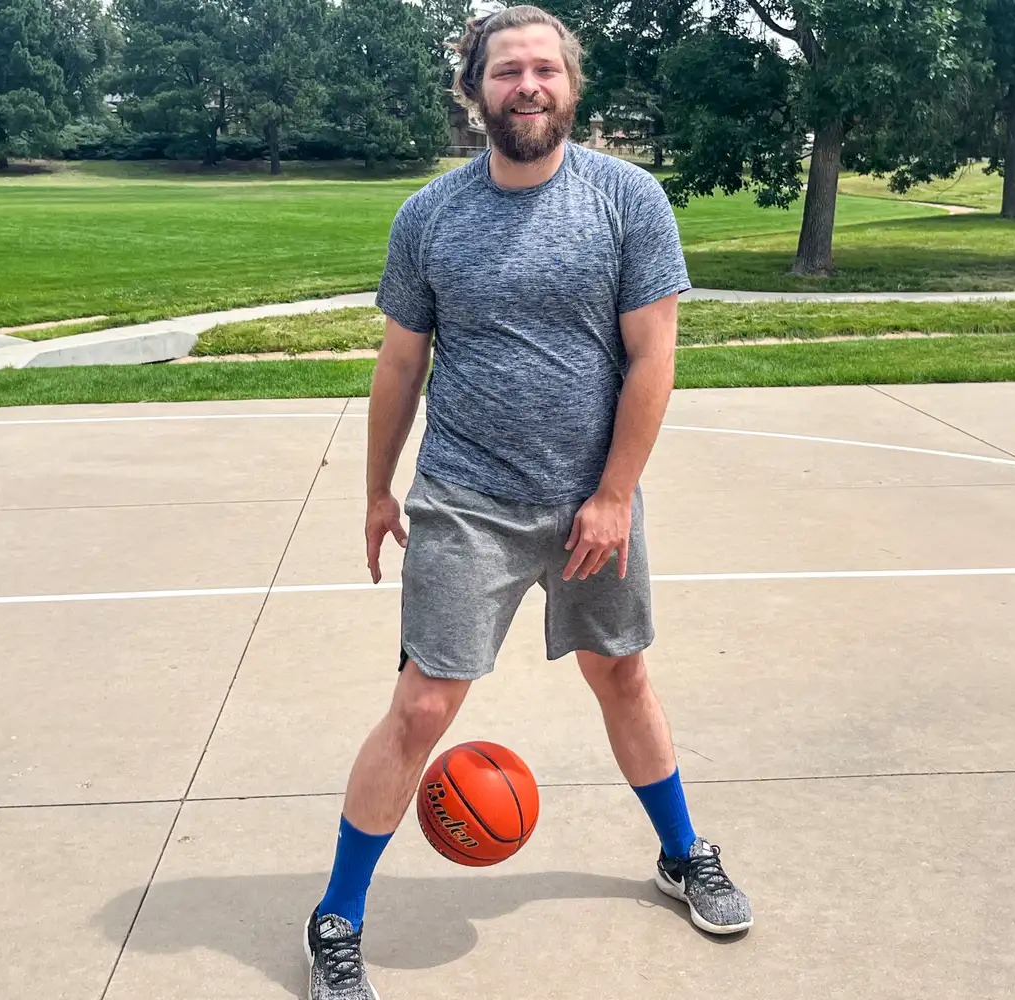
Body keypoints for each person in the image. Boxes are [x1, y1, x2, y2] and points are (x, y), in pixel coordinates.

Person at [303, 7, 751, 997]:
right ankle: (336, 916)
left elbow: (654, 356)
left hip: (594, 500)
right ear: (475, 91)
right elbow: (401, 363)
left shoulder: (627, 199)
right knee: (422, 706)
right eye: (507, 71)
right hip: (468, 498)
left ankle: (683, 852)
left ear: (572, 85)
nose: (529, 86)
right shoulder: (429, 215)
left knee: (622, 675)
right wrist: (376, 488)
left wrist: (614, 494)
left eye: (546, 68)